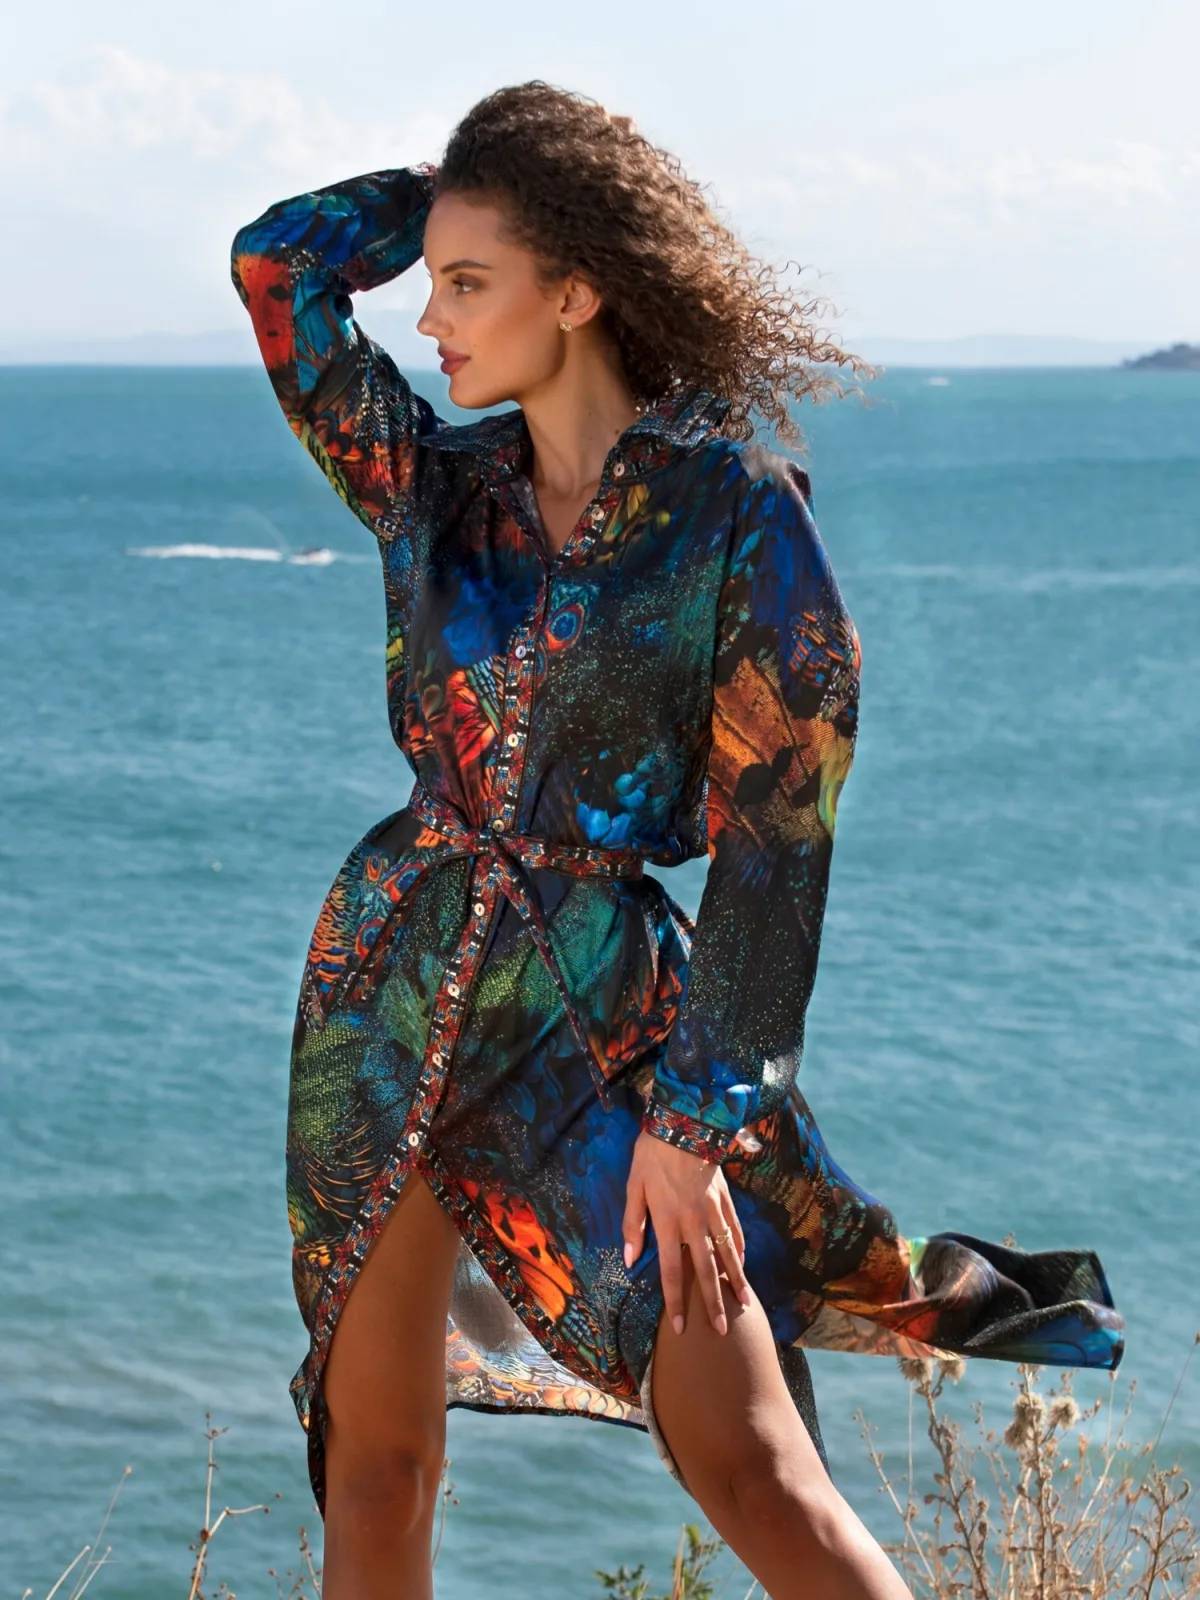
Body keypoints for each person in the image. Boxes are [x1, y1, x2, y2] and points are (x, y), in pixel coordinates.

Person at [231, 81, 1123, 1600]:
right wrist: (463, 185)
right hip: (388, 997)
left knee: (755, 1468)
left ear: (577, 291)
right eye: (431, 281)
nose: (429, 321)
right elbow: (277, 264)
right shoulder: (432, 491)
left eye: (469, 283)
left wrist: (696, 1125)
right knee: (373, 1476)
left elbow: (779, 840)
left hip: (605, 1030)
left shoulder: (737, 518)